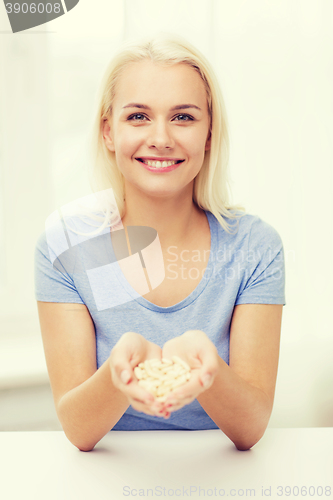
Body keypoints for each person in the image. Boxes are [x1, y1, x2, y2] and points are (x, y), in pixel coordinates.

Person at [35, 35, 285, 452]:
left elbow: (251, 428)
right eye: (137, 117)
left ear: (209, 134)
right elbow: (78, 430)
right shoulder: (64, 250)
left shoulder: (256, 247)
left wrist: (208, 369)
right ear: (108, 132)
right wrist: (117, 375)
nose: (161, 138)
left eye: (184, 117)